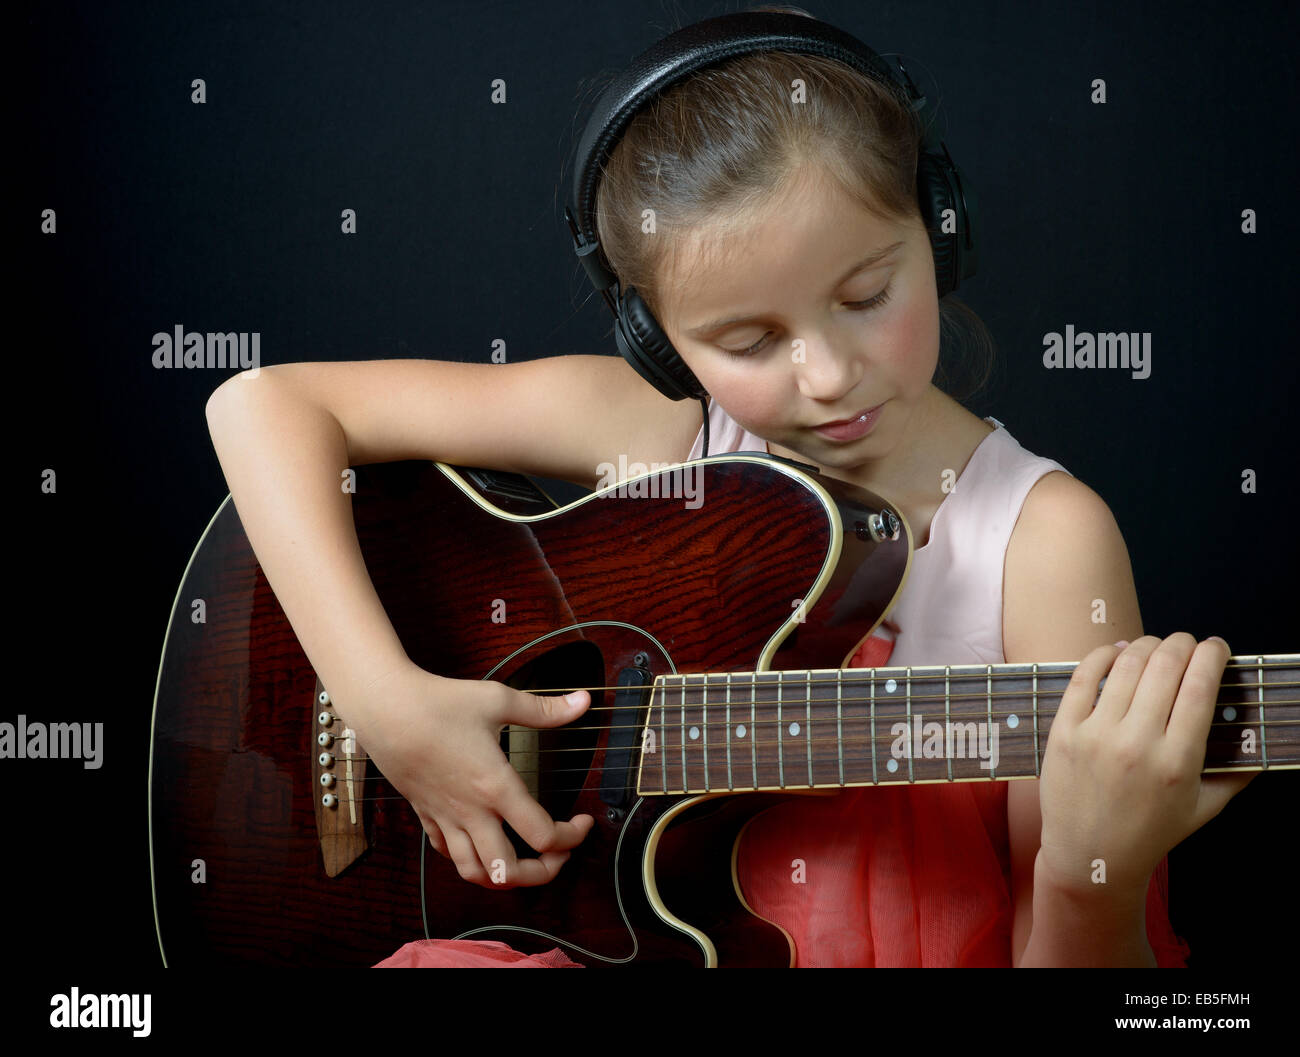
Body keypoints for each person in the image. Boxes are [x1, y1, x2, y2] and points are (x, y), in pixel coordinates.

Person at [204, 7, 1254, 967]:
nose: (829, 375)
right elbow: (259, 405)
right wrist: (390, 705)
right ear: (655, 345)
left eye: (867, 293)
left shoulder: (1043, 539)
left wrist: (1084, 872)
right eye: (747, 340)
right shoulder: (659, 431)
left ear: (939, 229)